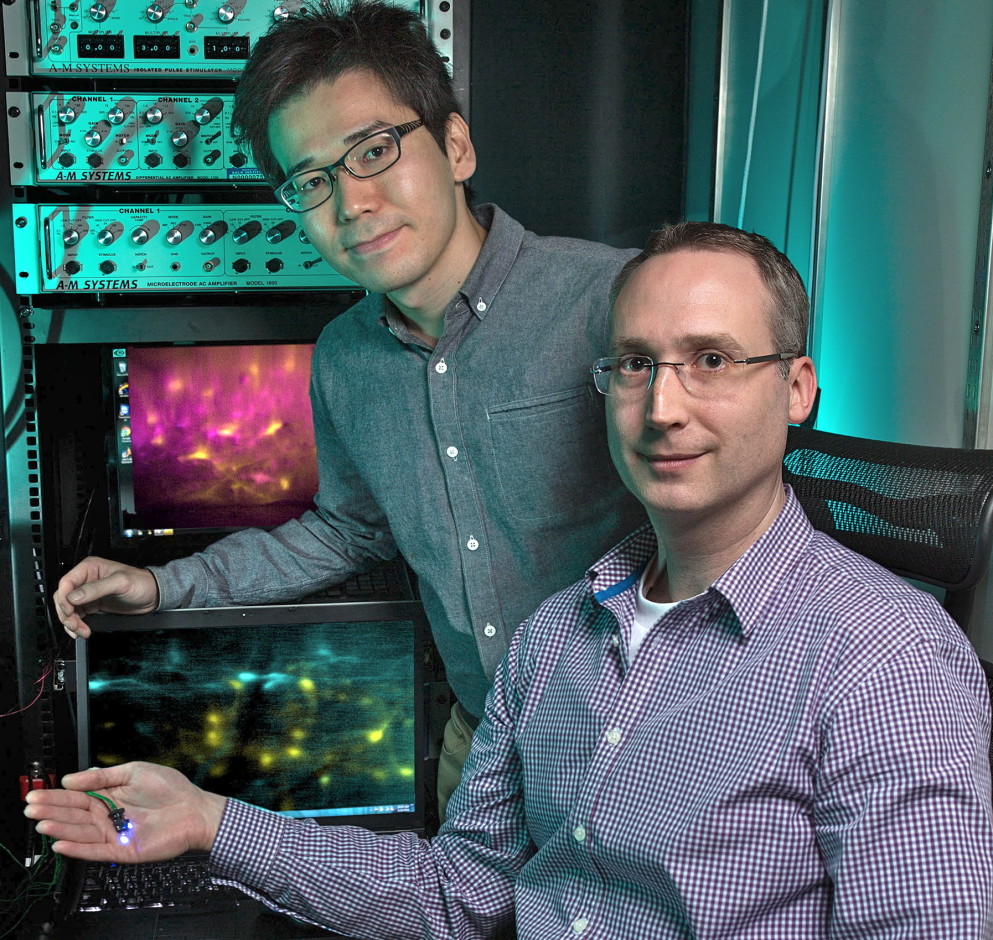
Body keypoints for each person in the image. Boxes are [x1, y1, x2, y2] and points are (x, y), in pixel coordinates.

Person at [29, 221, 993, 937]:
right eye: (633, 364)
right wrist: (208, 820)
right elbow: (456, 894)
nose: (663, 406)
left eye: (711, 360)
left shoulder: (885, 660)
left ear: (795, 388)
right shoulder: (552, 640)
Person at [50, 0, 646, 813]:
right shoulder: (343, 358)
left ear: (457, 145)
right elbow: (345, 530)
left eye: (375, 151)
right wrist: (160, 589)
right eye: (313, 180)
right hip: (484, 751)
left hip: (647, 749)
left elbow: (732, 518)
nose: (351, 202)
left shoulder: (611, 302)